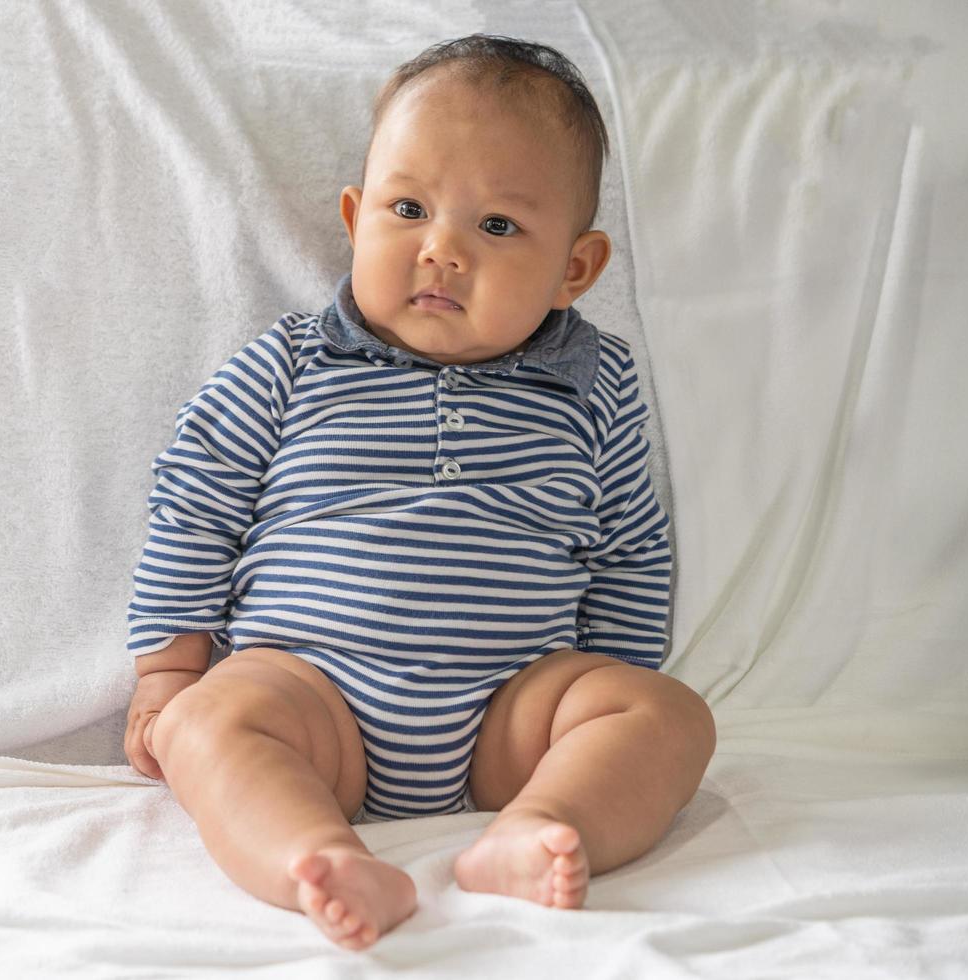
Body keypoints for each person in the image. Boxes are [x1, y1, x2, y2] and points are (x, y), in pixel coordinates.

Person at [123, 34, 715, 951]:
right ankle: (315, 854)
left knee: (667, 717)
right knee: (208, 722)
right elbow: (194, 506)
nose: (441, 251)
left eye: (497, 227)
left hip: (510, 713)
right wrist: (166, 671)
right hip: (311, 695)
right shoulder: (287, 365)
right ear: (356, 219)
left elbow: (630, 545)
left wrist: (609, 686)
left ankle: (539, 826)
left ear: (575, 270)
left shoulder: (596, 390)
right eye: (409, 208)